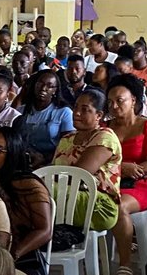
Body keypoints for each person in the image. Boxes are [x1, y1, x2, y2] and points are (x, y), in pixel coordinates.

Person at [107, 76, 147, 275]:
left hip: (140, 184)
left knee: (119, 205)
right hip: (109, 183)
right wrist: (120, 169)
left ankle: (125, 264)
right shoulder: (104, 129)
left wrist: (131, 169)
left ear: (133, 100)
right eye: (110, 102)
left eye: (120, 101)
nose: (114, 107)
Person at [0, 127, 55, 275]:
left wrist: (11, 256)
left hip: (22, 256)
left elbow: (44, 231)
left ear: (12, 154)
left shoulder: (28, 184)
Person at [51, 88, 124, 237]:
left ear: (99, 115)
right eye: (76, 107)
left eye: (84, 109)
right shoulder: (67, 139)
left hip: (99, 205)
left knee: (37, 193)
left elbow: (79, 175)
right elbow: (53, 171)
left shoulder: (105, 137)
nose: (76, 113)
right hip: (66, 195)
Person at [16, 69, 75, 164]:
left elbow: (68, 146)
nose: (43, 88)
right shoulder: (21, 111)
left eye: (50, 86)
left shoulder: (64, 113)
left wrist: (44, 158)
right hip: (25, 159)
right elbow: (15, 141)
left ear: (55, 90)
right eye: (40, 83)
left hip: (54, 162)